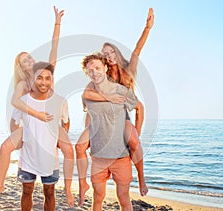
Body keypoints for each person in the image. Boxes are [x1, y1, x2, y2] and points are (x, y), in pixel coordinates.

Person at [0, 7, 74, 207]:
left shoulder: (43, 72)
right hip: (28, 126)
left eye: (29, 57)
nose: (29, 60)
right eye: (24, 60)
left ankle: (69, 189)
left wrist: (57, 23)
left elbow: (54, 48)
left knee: (66, 153)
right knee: (5, 148)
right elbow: (15, 108)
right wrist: (17, 134)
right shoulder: (21, 85)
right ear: (21, 67)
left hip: (50, 123)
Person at [76, 8, 154, 205]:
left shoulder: (128, 70)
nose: (109, 56)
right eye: (105, 54)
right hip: (104, 118)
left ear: (117, 54)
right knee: (84, 140)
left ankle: (142, 178)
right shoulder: (104, 75)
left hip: (125, 116)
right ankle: (83, 181)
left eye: (111, 52)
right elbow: (88, 97)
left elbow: (137, 49)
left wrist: (147, 28)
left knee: (134, 141)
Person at [81, 53, 139, 210]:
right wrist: (89, 139)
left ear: (106, 68)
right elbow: (89, 117)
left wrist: (136, 132)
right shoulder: (88, 95)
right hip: (98, 157)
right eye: (90, 70)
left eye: (98, 68)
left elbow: (139, 108)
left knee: (123, 198)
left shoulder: (121, 90)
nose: (94, 73)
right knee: (98, 197)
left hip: (120, 157)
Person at [17, 61, 70, 211]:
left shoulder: (60, 101)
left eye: (48, 78)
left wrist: (61, 139)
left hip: (50, 157)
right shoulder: (23, 100)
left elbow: (66, 122)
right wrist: (18, 140)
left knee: (50, 192)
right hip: (28, 156)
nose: (44, 82)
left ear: (52, 80)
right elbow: (15, 122)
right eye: (39, 77)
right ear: (33, 78)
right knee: (27, 191)